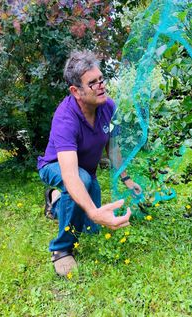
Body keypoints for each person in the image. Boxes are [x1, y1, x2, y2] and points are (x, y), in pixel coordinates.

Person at [37, 50, 142, 276]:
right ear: (76, 91)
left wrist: (127, 179)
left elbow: (112, 146)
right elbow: (71, 175)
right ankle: (62, 250)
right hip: (56, 167)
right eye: (92, 83)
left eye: (101, 79)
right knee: (82, 187)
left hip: (85, 172)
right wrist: (94, 211)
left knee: (90, 229)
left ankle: (53, 201)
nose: (101, 86)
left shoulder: (108, 107)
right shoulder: (65, 118)